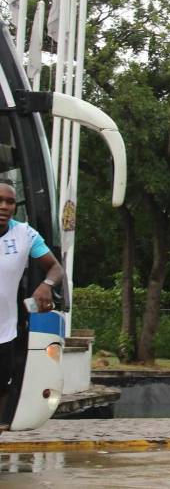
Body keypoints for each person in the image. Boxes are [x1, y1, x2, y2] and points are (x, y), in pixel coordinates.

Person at [0, 180, 63, 424]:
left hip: (4, 332)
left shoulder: (25, 234)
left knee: (2, 389)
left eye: (10, 202)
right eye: (0, 200)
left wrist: (46, 285)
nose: (4, 206)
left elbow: (55, 268)